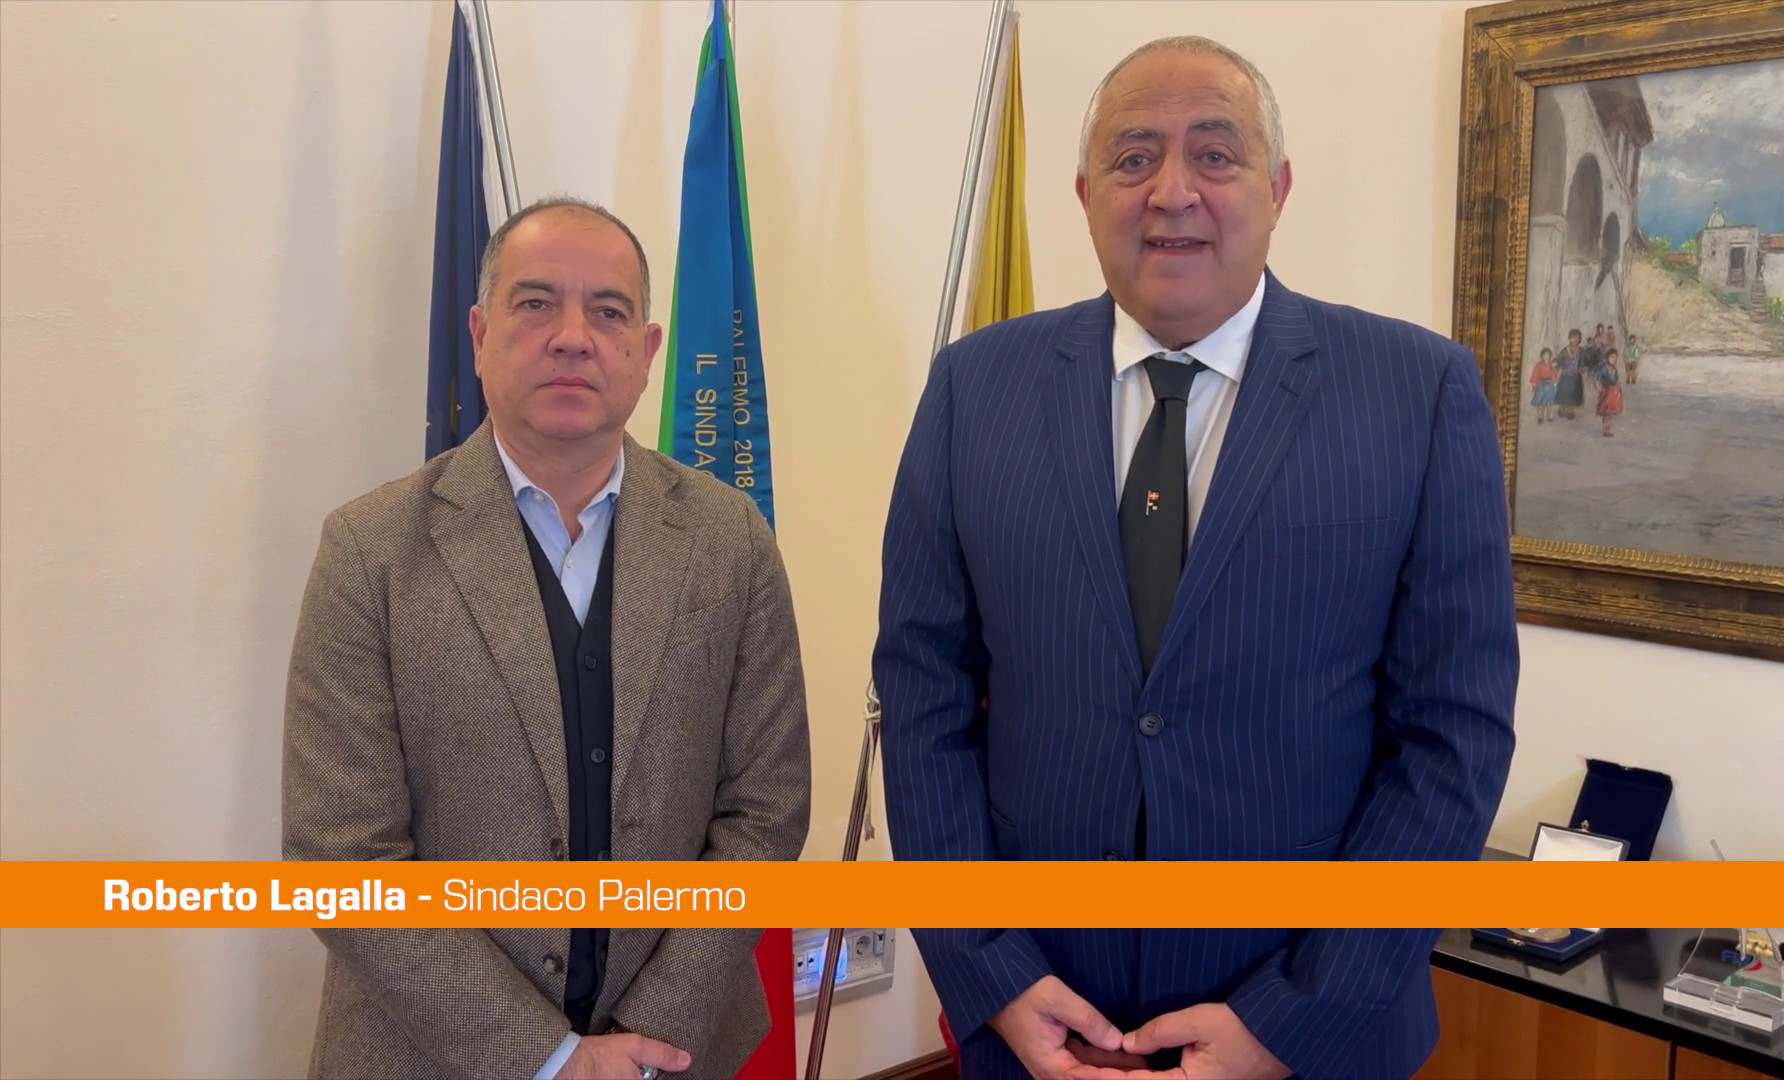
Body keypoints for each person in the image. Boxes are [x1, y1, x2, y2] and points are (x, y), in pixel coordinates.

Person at [875, 36, 1518, 1080]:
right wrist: (991, 975)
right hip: (1042, 1029)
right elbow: (921, 700)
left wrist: (1292, 1020)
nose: (1172, 191)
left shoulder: (1419, 391)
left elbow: (1453, 739)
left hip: (1314, 1035)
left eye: (1215, 154)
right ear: (1085, 194)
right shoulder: (971, 389)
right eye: (1134, 157)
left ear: (1279, 188)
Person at [283, 196, 811, 1080]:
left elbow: (766, 811)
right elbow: (340, 859)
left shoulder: (731, 541)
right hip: (427, 1058)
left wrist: (648, 1036)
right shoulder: (369, 552)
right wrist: (550, 1058)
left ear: (647, 351)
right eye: (536, 303)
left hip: (677, 1053)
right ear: (480, 334)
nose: (573, 337)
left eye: (608, 311)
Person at [1554, 328, 1586, 420]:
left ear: (1579, 339)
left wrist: (1584, 367)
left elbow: (1586, 361)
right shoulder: (1565, 350)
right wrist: (1555, 364)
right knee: (1565, 392)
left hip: (1576, 376)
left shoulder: (1581, 351)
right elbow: (1557, 359)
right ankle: (1563, 407)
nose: (1575, 339)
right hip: (1566, 375)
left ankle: (1570, 410)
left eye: (1577, 337)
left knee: (1574, 394)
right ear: (1569, 339)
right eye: (1573, 337)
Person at [1596, 348, 1624, 436]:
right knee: (1605, 412)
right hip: (1605, 392)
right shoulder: (1603, 369)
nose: (1614, 359)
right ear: (1607, 358)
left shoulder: (1615, 370)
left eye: (1615, 357)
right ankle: (1605, 429)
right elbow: (1597, 380)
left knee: (1610, 413)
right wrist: (1600, 389)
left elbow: (1616, 380)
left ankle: (1608, 428)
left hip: (1613, 394)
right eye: (1612, 357)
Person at [1530, 347, 1558, 423]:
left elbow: (1554, 375)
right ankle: (1540, 416)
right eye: (1545, 355)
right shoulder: (1539, 365)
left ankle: (1549, 415)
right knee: (1541, 402)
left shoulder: (1551, 366)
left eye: (1548, 355)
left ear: (1550, 356)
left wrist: (1554, 383)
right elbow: (1535, 375)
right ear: (1542, 356)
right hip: (1541, 385)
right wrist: (1534, 384)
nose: (1546, 357)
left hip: (1550, 386)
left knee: (1549, 402)